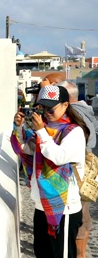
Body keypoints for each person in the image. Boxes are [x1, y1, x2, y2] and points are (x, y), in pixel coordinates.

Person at [11, 85, 90, 257]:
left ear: (65, 105)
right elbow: (25, 149)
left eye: (51, 108)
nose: (46, 112)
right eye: (43, 107)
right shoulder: (45, 130)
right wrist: (19, 128)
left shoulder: (74, 131)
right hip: (42, 205)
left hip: (65, 207)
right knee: (42, 253)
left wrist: (41, 132)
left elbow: (59, 157)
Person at [57, 81, 98, 258]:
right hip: (84, 172)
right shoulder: (86, 111)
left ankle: (80, 254)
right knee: (83, 216)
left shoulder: (74, 115)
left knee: (80, 217)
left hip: (75, 174)